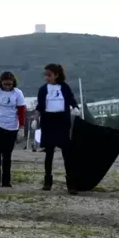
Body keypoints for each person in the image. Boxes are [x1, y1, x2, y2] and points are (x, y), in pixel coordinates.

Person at [31, 63, 81, 195]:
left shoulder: (64, 87)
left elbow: (71, 99)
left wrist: (75, 108)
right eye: (46, 75)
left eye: (49, 75)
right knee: (49, 153)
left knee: (67, 153)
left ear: (57, 75)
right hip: (48, 122)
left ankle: (71, 183)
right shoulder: (43, 89)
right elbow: (40, 105)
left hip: (62, 122)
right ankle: (47, 181)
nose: (47, 77)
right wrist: (36, 119)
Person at [0, 71, 26, 187]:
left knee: (7, 155)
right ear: (1, 83)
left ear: (13, 83)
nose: (7, 86)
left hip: (11, 127)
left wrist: (22, 127)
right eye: (5, 84)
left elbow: (21, 111)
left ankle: (6, 181)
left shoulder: (18, 93)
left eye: (10, 84)